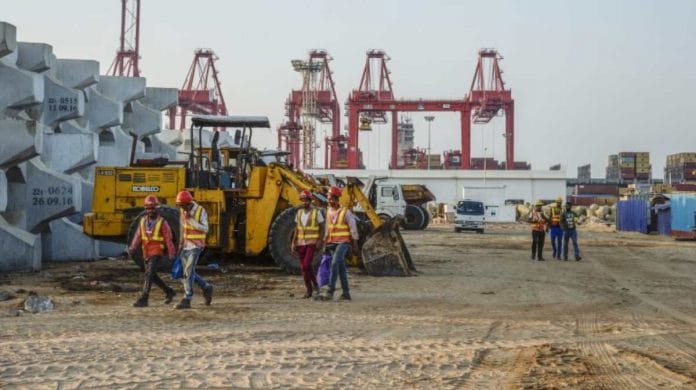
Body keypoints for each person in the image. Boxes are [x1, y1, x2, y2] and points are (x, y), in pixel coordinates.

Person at [127, 195, 177, 307]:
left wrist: (171, 253)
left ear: (156, 208)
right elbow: (138, 236)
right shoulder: (142, 221)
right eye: (148, 208)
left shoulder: (162, 222)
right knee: (152, 275)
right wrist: (132, 247)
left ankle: (144, 298)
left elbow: (168, 239)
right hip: (146, 252)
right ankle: (169, 291)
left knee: (149, 274)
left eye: (152, 208)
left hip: (157, 251)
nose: (150, 211)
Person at [174, 190, 214, 309]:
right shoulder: (183, 210)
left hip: (196, 246)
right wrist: (180, 244)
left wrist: (190, 220)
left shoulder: (200, 211)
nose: (181, 208)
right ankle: (206, 287)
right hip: (186, 245)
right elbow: (183, 227)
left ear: (188, 204)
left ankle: (187, 298)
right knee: (184, 272)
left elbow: (205, 228)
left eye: (182, 206)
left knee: (189, 271)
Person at [321, 186, 360, 301]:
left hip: (344, 242)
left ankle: (330, 291)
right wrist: (325, 243)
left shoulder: (345, 212)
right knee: (341, 268)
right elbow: (327, 229)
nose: (329, 200)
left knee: (334, 264)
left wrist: (355, 245)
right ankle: (346, 293)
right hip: (332, 242)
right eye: (328, 198)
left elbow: (353, 228)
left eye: (331, 198)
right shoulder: (328, 211)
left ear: (336, 198)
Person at [290, 190, 324, 298]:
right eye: (303, 200)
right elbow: (297, 228)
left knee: (305, 266)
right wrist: (293, 242)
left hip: (311, 243)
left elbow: (323, 227)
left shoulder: (316, 212)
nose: (305, 202)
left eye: (307, 200)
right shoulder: (299, 213)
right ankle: (314, 285)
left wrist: (320, 241)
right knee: (306, 266)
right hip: (301, 243)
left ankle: (309, 289)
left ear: (310, 201)